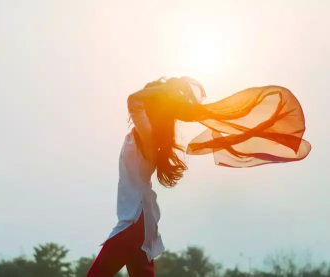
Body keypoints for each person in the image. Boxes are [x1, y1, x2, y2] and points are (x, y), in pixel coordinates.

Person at [86, 77, 311, 277]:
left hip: (134, 222)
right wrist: (162, 93)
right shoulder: (148, 134)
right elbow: (137, 102)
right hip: (139, 222)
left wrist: (161, 93)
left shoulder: (148, 134)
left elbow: (133, 100)